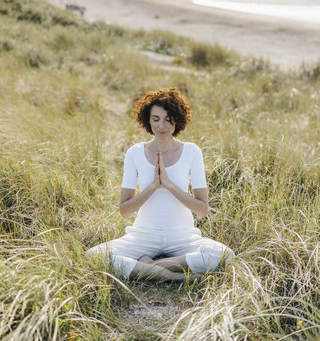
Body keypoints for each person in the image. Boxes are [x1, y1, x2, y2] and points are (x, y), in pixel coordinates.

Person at [86, 87, 234, 281]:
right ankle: (172, 276)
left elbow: (202, 209)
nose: (161, 125)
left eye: (167, 119)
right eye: (155, 119)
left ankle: (152, 266)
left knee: (225, 255)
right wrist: (153, 186)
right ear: (148, 120)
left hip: (182, 236)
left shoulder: (191, 151)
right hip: (143, 235)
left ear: (177, 120)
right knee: (93, 257)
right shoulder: (135, 153)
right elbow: (125, 211)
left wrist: (170, 185)